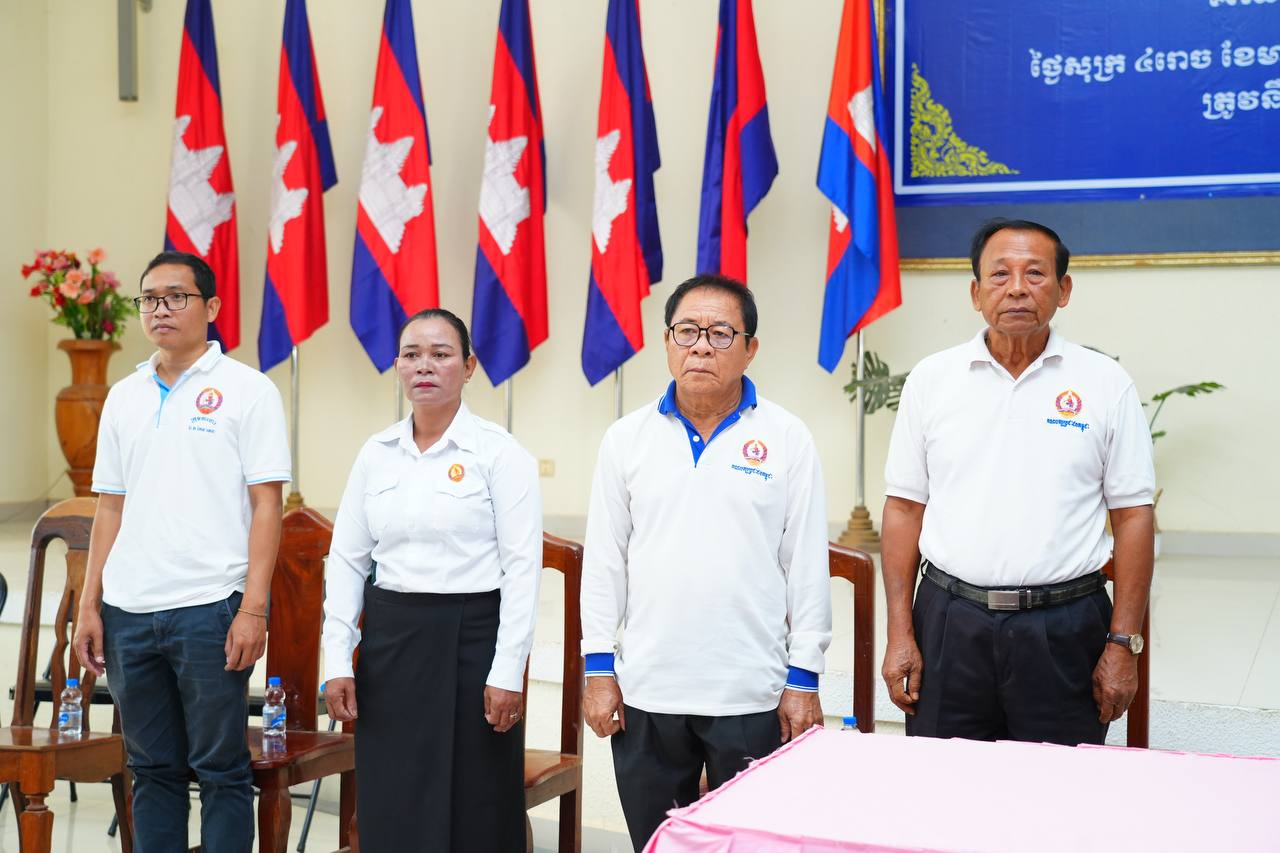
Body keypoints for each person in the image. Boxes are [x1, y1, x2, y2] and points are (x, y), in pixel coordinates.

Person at [581, 274, 832, 851]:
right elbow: (605, 564)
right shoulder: (626, 439)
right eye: (687, 331)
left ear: (751, 348)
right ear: (667, 342)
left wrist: (803, 677)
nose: (701, 347)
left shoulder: (787, 438)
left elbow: (805, 566)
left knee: (753, 844)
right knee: (656, 843)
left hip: (751, 692)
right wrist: (598, 670)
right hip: (647, 692)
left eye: (721, 334)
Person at [881, 219, 1155, 746]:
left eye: (1035, 274)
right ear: (975, 292)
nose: (1017, 288)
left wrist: (1123, 644)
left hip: (1064, 626)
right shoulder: (933, 380)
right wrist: (900, 632)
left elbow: (1133, 516)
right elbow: (904, 509)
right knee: (941, 784)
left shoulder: (1104, 383)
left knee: (1058, 787)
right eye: (1000, 274)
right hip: (949, 623)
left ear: (1063, 289)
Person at [74, 251, 290, 852]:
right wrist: (90, 605)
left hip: (210, 608)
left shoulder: (249, 391)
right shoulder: (124, 396)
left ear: (211, 306)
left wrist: (253, 608)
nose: (160, 309)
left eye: (176, 297)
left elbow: (267, 506)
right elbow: (109, 508)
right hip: (128, 611)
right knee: (151, 769)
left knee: (221, 770)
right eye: (149, 299)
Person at [321, 308, 541, 853]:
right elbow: (347, 560)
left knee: (476, 803)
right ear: (397, 365)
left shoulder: (499, 452)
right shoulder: (376, 454)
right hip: (391, 644)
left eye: (441, 355)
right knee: (393, 797)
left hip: (473, 642)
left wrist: (507, 671)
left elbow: (522, 570)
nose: (424, 366)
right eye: (411, 355)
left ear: (468, 367)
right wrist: (336, 660)